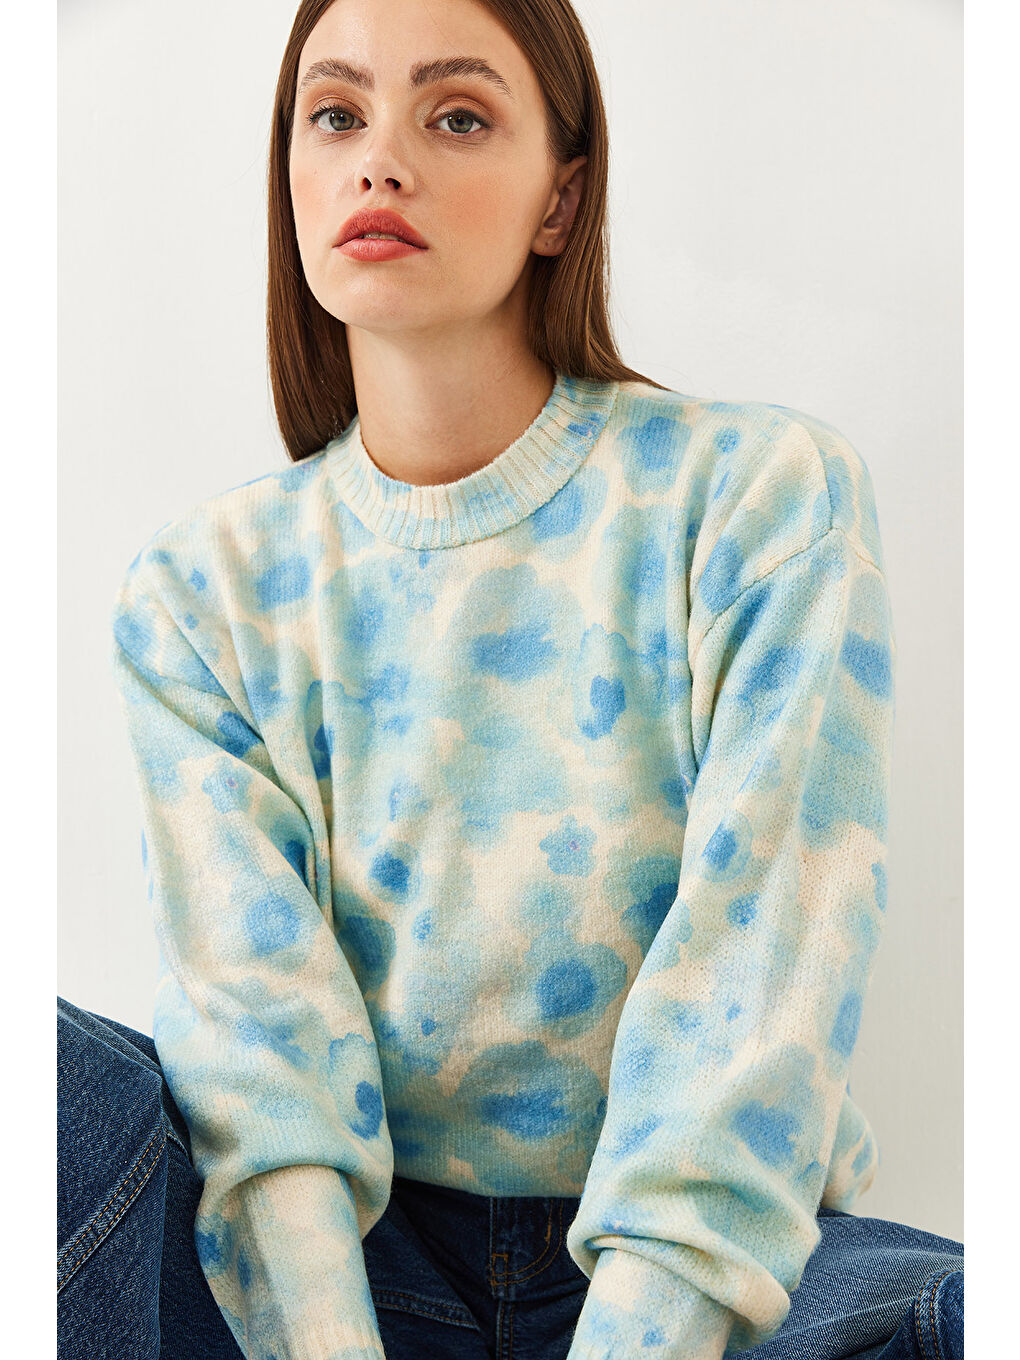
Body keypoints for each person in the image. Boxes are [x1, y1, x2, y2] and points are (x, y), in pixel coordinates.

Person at [56, 0, 964, 1357]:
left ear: (563, 197)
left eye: (459, 116)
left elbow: (760, 983)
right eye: (336, 115)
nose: (380, 161)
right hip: (362, 1277)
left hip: (702, 1267)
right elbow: (258, 1056)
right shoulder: (201, 590)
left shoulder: (759, 497)